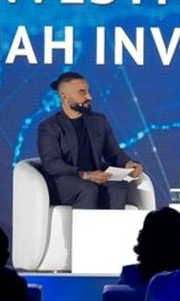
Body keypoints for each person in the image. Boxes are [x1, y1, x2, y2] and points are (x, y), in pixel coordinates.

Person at [36, 72, 144, 210]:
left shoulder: (98, 121)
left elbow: (114, 153)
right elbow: (52, 164)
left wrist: (129, 164)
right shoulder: (49, 127)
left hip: (95, 177)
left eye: (88, 91)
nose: (89, 97)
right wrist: (86, 175)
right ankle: (82, 226)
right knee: (87, 189)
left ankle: (111, 226)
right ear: (64, 97)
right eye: (82, 92)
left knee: (117, 189)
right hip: (63, 181)